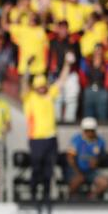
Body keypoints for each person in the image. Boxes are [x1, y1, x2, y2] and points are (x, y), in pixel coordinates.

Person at [22, 53, 73, 202]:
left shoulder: (50, 95)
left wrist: (67, 64)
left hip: (51, 138)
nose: (42, 89)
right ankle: (33, 194)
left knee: (48, 169)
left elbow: (61, 81)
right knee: (36, 167)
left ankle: (46, 196)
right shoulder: (30, 98)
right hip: (36, 139)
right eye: (39, 87)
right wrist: (27, 68)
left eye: (43, 86)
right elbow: (24, 85)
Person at [66, 117, 108, 199]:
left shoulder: (100, 141)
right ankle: (70, 197)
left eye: (91, 130)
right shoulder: (76, 140)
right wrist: (77, 171)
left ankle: (91, 197)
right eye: (87, 130)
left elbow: (103, 156)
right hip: (77, 170)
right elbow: (70, 158)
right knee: (77, 180)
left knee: (104, 183)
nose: (89, 133)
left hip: (92, 172)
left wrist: (97, 161)